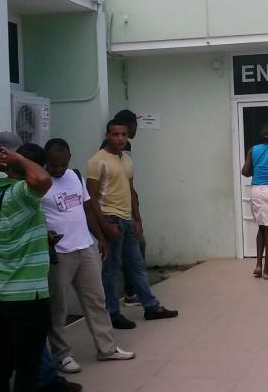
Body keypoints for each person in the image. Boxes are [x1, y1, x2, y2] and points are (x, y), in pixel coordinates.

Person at [0, 133, 80, 392]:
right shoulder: (24, 194)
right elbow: (42, 179)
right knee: (27, 369)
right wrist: (16, 159)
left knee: (2, 364)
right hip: (28, 298)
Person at [40, 138, 135, 374]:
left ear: (69, 159)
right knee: (58, 307)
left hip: (85, 247)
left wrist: (99, 238)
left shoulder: (74, 176)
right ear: (46, 162)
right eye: (53, 165)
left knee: (96, 300)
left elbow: (87, 209)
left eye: (62, 164)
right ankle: (62, 355)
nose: (58, 170)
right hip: (59, 254)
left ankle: (107, 349)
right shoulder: (39, 183)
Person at [87, 119, 177, 330]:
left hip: (127, 221)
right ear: (107, 135)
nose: (120, 138)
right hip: (111, 220)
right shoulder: (97, 161)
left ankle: (151, 306)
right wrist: (104, 228)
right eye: (115, 134)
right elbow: (90, 198)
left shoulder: (126, 159)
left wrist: (138, 219)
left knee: (137, 267)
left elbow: (131, 190)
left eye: (123, 135)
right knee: (111, 269)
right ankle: (113, 313)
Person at [100, 110, 147, 307]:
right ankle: (128, 294)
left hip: (122, 209)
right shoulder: (121, 148)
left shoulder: (117, 148)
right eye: (134, 125)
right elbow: (125, 182)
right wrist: (135, 214)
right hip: (117, 211)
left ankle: (130, 293)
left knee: (129, 251)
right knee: (128, 251)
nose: (136, 129)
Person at [241, 122, 268, 279]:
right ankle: (267, 271)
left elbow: (245, 172)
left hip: (256, 191)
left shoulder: (252, 150)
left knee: (260, 227)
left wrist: (257, 169)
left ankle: (258, 265)